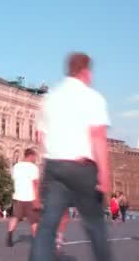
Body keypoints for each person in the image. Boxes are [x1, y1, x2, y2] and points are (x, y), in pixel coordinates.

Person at [29, 52, 112, 261]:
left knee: (48, 225)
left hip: (54, 167)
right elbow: (98, 137)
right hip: (82, 168)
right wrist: (104, 174)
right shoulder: (92, 97)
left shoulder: (49, 98)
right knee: (95, 225)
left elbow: (40, 136)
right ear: (85, 71)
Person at [6, 148, 40, 247]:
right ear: (31, 156)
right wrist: (37, 200)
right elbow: (35, 184)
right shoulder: (33, 168)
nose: (35, 159)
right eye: (35, 157)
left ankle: (9, 236)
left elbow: (14, 179)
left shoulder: (16, 166)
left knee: (15, 217)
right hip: (30, 197)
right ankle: (36, 241)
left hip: (18, 196)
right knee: (34, 221)